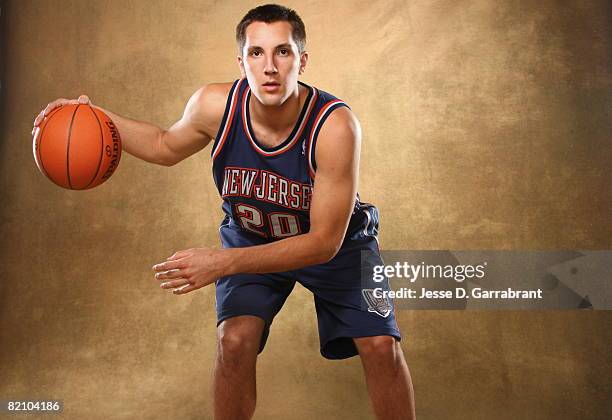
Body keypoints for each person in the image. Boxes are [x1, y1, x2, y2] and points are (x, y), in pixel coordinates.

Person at [32, 4, 416, 419]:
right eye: (256, 53)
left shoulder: (335, 126)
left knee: (380, 346)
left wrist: (219, 262)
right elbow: (164, 146)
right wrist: (90, 116)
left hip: (336, 246)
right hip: (253, 233)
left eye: (282, 52)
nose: (269, 67)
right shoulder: (214, 106)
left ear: (302, 61)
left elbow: (324, 243)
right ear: (241, 61)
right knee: (233, 341)